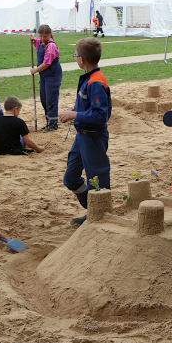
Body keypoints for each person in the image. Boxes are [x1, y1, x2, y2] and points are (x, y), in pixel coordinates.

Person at [59, 37, 111, 225]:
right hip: (82, 136)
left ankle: (100, 215)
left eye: (75, 55)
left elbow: (99, 116)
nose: (75, 58)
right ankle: (93, 210)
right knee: (71, 177)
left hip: (94, 138)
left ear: (82, 59)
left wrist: (74, 115)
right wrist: (75, 113)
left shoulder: (96, 82)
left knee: (97, 180)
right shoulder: (88, 78)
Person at [30, 24, 62, 131]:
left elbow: (47, 63)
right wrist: (34, 40)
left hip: (53, 76)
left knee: (51, 100)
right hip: (44, 77)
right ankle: (49, 121)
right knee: (44, 99)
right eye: (41, 36)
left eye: (45, 36)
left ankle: (53, 124)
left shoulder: (51, 46)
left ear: (50, 35)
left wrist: (35, 70)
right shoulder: (42, 42)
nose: (43, 39)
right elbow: (38, 43)